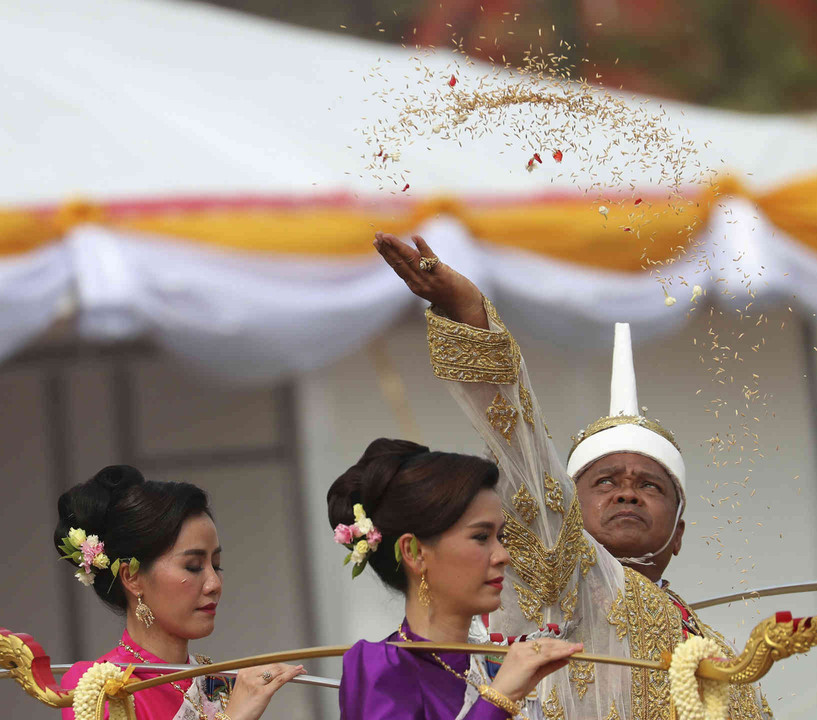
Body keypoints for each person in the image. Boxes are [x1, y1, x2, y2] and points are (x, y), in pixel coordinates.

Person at [373, 232, 769, 720]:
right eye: (604, 481)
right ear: (561, 507)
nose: (627, 492)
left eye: (651, 485)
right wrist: (468, 314)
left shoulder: (709, 646)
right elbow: (524, 453)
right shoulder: (564, 572)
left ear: (680, 534)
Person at [329, 438, 583, 720]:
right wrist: (499, 699)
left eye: (501, 537)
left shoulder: (496, 663)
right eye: (481, 537)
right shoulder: (380, 666)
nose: (503, 556)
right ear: (414, 553)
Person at [56, 465, 302, 720]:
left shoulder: (215, 684)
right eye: (193, 567)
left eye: (216, 566)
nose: (214, 583)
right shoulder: (99, 683)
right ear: (133, 577)